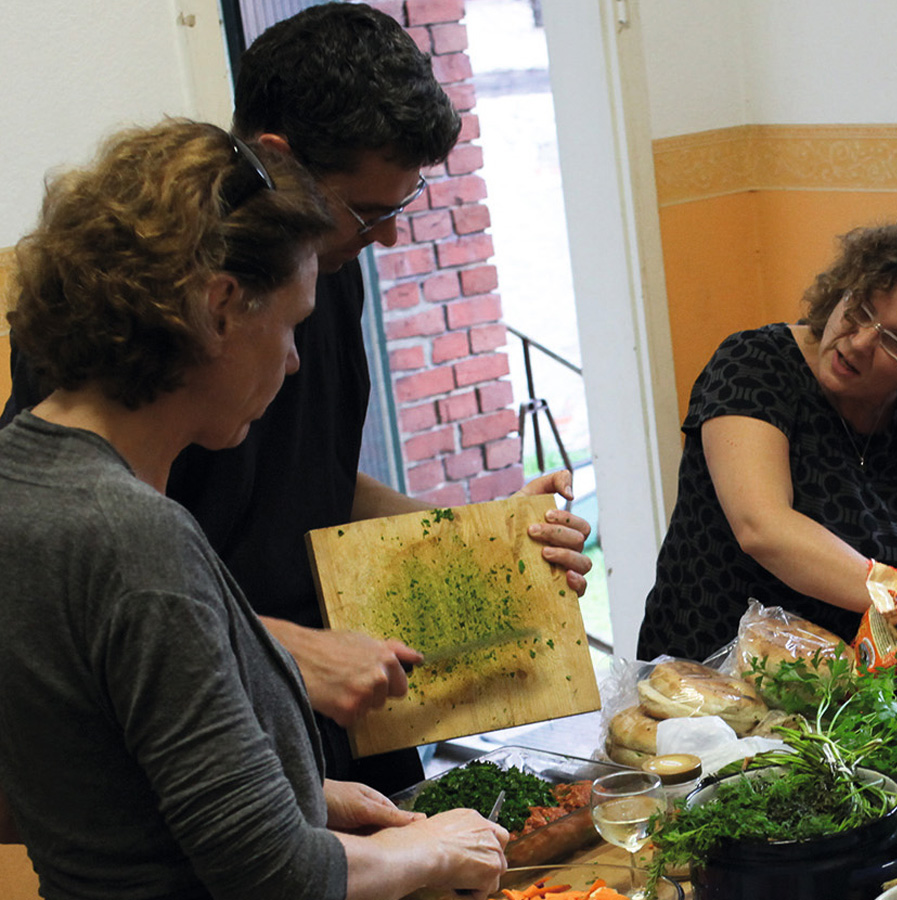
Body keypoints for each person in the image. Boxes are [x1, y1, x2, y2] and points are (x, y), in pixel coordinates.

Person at [1, 3, 592, 794]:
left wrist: (485, 540)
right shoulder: (121, 332)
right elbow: (77, 585)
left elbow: (312, 483)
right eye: (368, 211)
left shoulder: (329, 276)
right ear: (218, 310)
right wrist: (280, 647)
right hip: (205, 742)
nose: (385, 239)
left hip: (332, 716)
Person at [0, 120, 508, 900]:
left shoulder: (21, 477)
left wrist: (298, 794)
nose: (297, 359)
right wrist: (440, 846)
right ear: (220, 308)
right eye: (293, 324)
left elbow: (98, 775)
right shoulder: (138, 540)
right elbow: (279, 876)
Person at [638, 221, 897, 660]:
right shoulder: (753, 365)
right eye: (861, 309)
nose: (858, 342)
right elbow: (763, 528)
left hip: (857, 681)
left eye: (894, 341)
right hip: (713, 672)